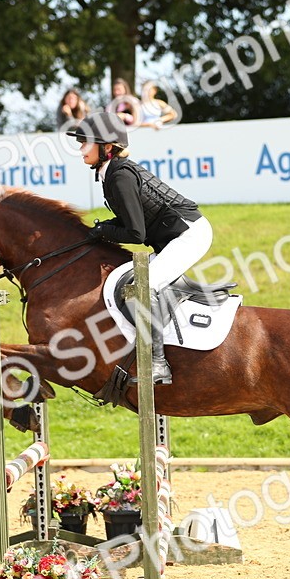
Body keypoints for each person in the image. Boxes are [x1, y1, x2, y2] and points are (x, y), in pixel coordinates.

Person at [67, 111, 211, 385]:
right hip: (172, 237)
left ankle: (157, 363)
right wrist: (99, 230)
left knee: (140, 288)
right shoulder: (111, 173)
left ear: (107, 147)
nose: (81, 149)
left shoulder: (120, 176)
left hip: (189, 235)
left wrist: (101, 230)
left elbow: (135, 232)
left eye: (86, 143)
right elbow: (127, 222)